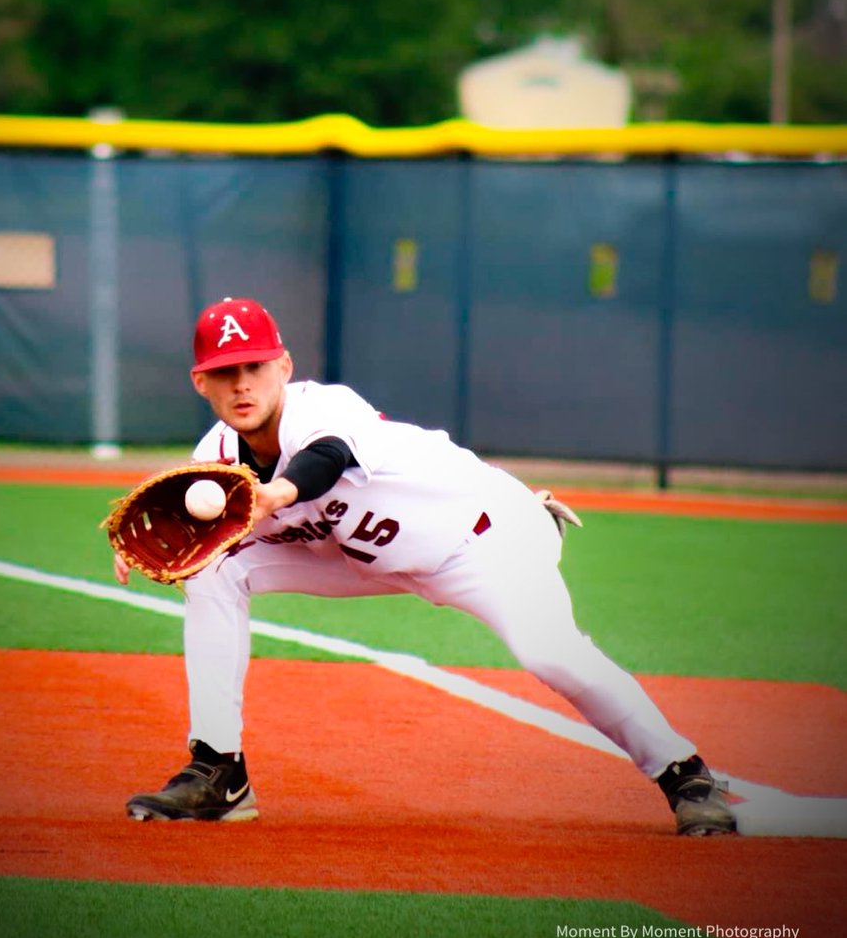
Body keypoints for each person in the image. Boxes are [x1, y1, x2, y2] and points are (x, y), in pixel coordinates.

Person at [114, 296, 736, 836]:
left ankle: (686, 775)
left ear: (284, 367)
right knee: (213, 571)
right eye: (225, 372)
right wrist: (150, 544)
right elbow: (196, 531)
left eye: (254, 366)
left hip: (484, 540)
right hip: (360, 556)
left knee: (550, 653)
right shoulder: (217, 456)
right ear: (201, 382)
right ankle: (219, 771)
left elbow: (326, 458)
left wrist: (276, 493)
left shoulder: (326, 408)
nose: (242, 384)